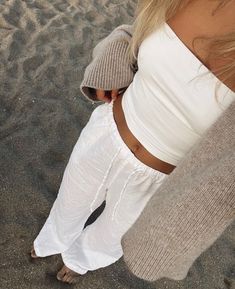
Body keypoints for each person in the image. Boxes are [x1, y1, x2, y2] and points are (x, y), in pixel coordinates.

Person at [30, 0, 235, 284]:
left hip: (159, 181)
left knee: (111, 237)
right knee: (69, 204)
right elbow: (133, 33)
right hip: (105, 135)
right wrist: (110, 63)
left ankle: (80, 261)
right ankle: (48, 244)